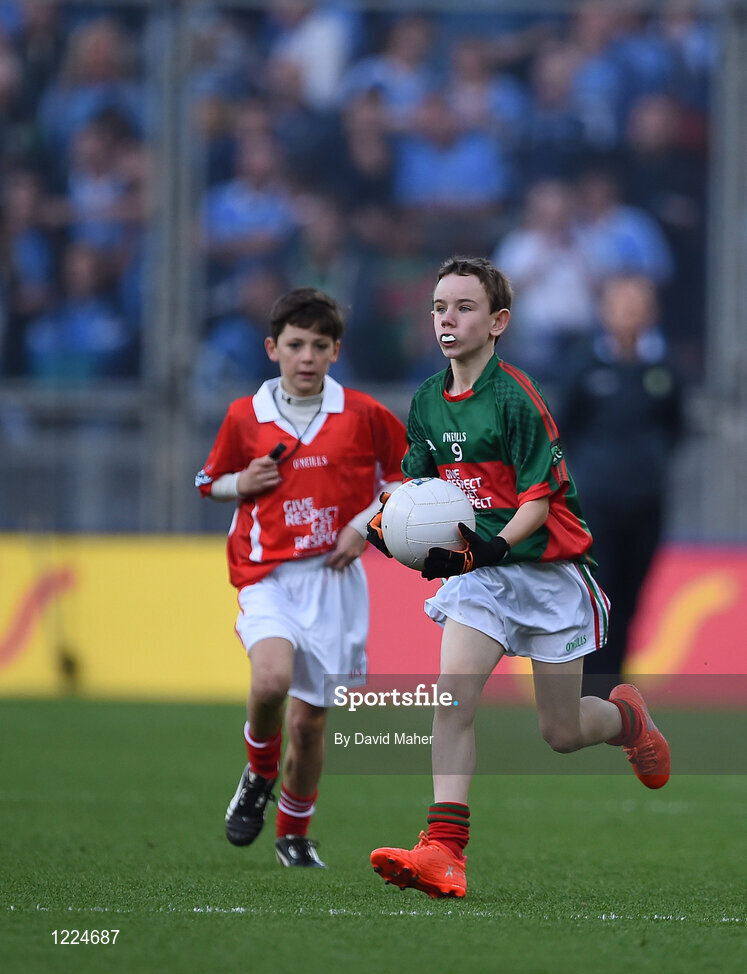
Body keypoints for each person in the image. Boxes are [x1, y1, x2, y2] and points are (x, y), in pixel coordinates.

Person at [366, 256, 671, 899]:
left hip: (547, 573)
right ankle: (444, 851)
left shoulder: (517, 397)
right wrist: (384, 528)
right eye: (439, 307)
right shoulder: (426, 400)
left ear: (499, 321)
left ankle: (625, 721)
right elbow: (414, 489)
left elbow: (539, 501)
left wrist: (488, 548)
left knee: (560, 733)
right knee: (452, 701)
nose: (448, 318)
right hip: (483, 578)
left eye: (465, 307)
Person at [195, 287, 407, 868]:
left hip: (334, 583)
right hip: (268, 576)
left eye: (319, 345)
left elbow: (404, 479)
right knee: (270, 681)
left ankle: (293, 832)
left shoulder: (363, 414)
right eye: (294, 345)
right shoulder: (245, 416)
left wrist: (366, 526)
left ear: (336, 351)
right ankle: (260, 773)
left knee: (310, 724)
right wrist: (243, 482)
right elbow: (208, 482)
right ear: (273, 349)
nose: (306, 356)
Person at [556, 274, 683, 698]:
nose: (629, 313)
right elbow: (565, 426)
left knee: (632, 595)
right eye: (621, 304)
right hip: (598, 504)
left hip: (648, 502)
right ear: (604, 311)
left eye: (637, 304)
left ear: (652, 312)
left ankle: (618, 690)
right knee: (600, 594)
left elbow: (675, 427)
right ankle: (592, 688)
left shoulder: (663, 369)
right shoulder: (585, 366)